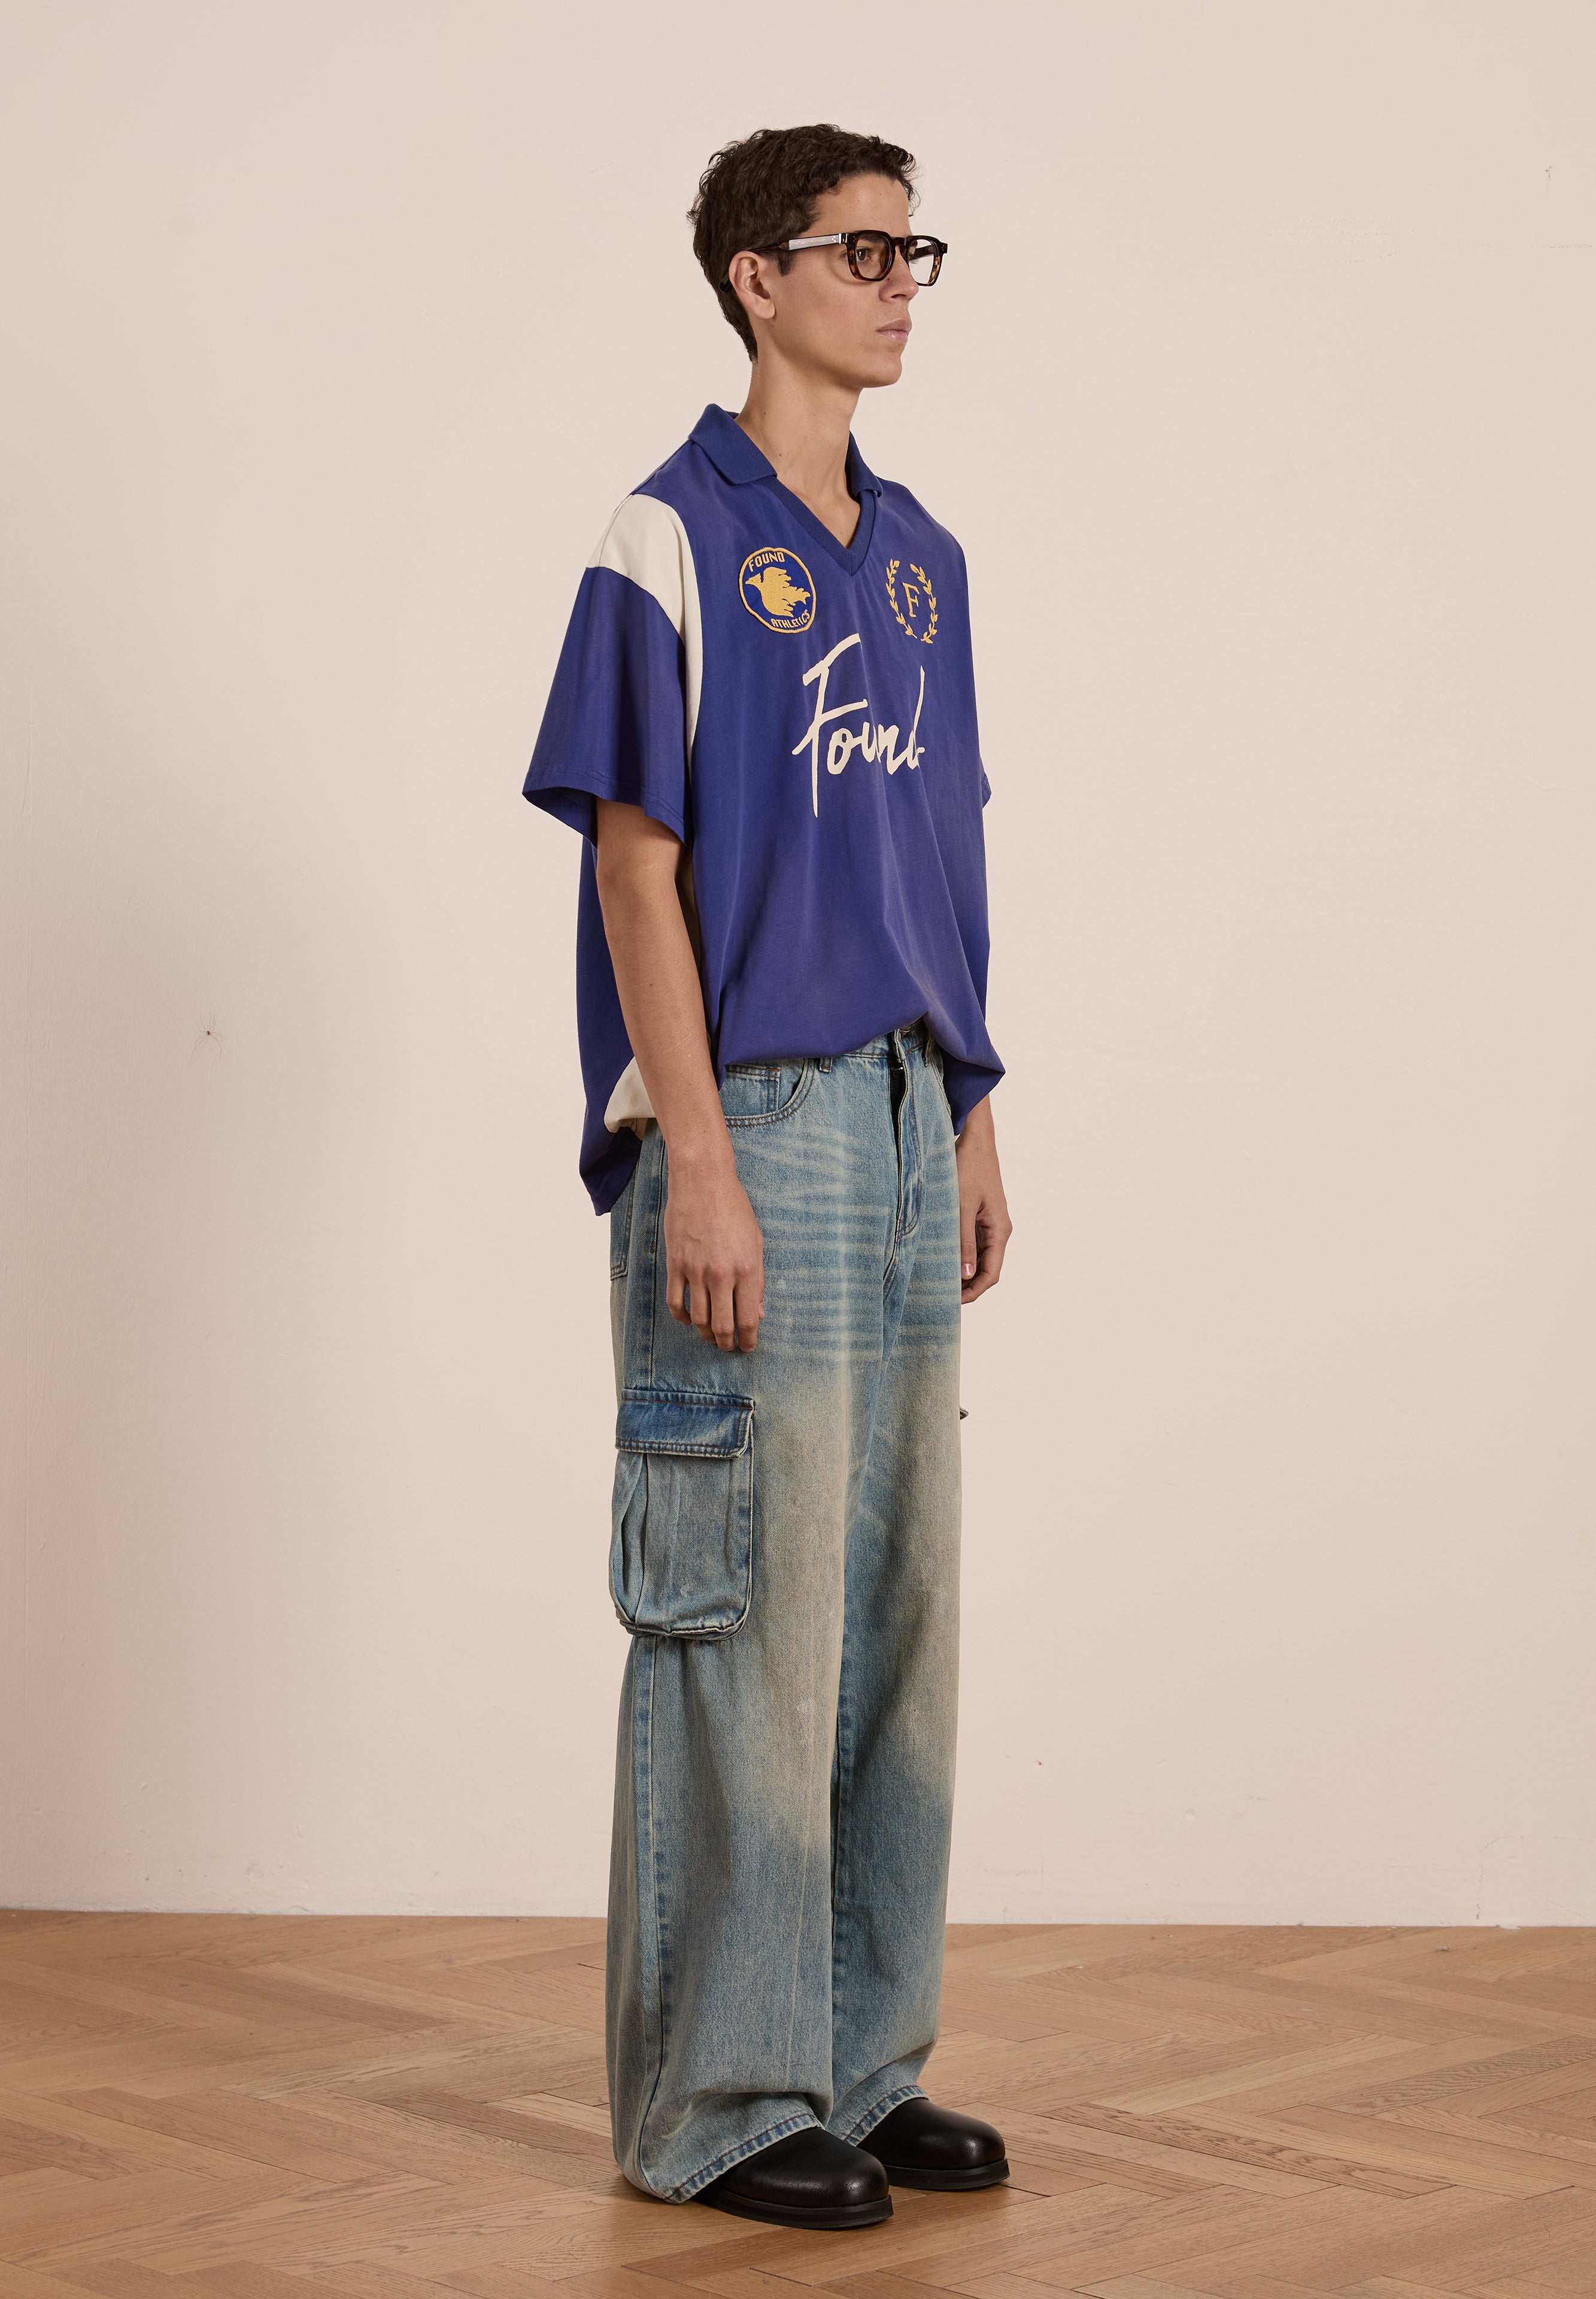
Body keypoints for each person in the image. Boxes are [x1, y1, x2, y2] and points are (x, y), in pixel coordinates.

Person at [522, 123, 1011, 2233]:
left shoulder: (925, 562)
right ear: (754, 276)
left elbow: (941, 856)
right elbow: (639, 868)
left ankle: (857, 2057)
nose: (903, 281)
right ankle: (720, 2100)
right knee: (744, 1607)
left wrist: (977, 1107)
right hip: (758, 1125)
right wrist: (694, 1157)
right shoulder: (666, 537)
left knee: (894, 1609)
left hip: (903, 1116)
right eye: (863, 247)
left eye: (920, 248)